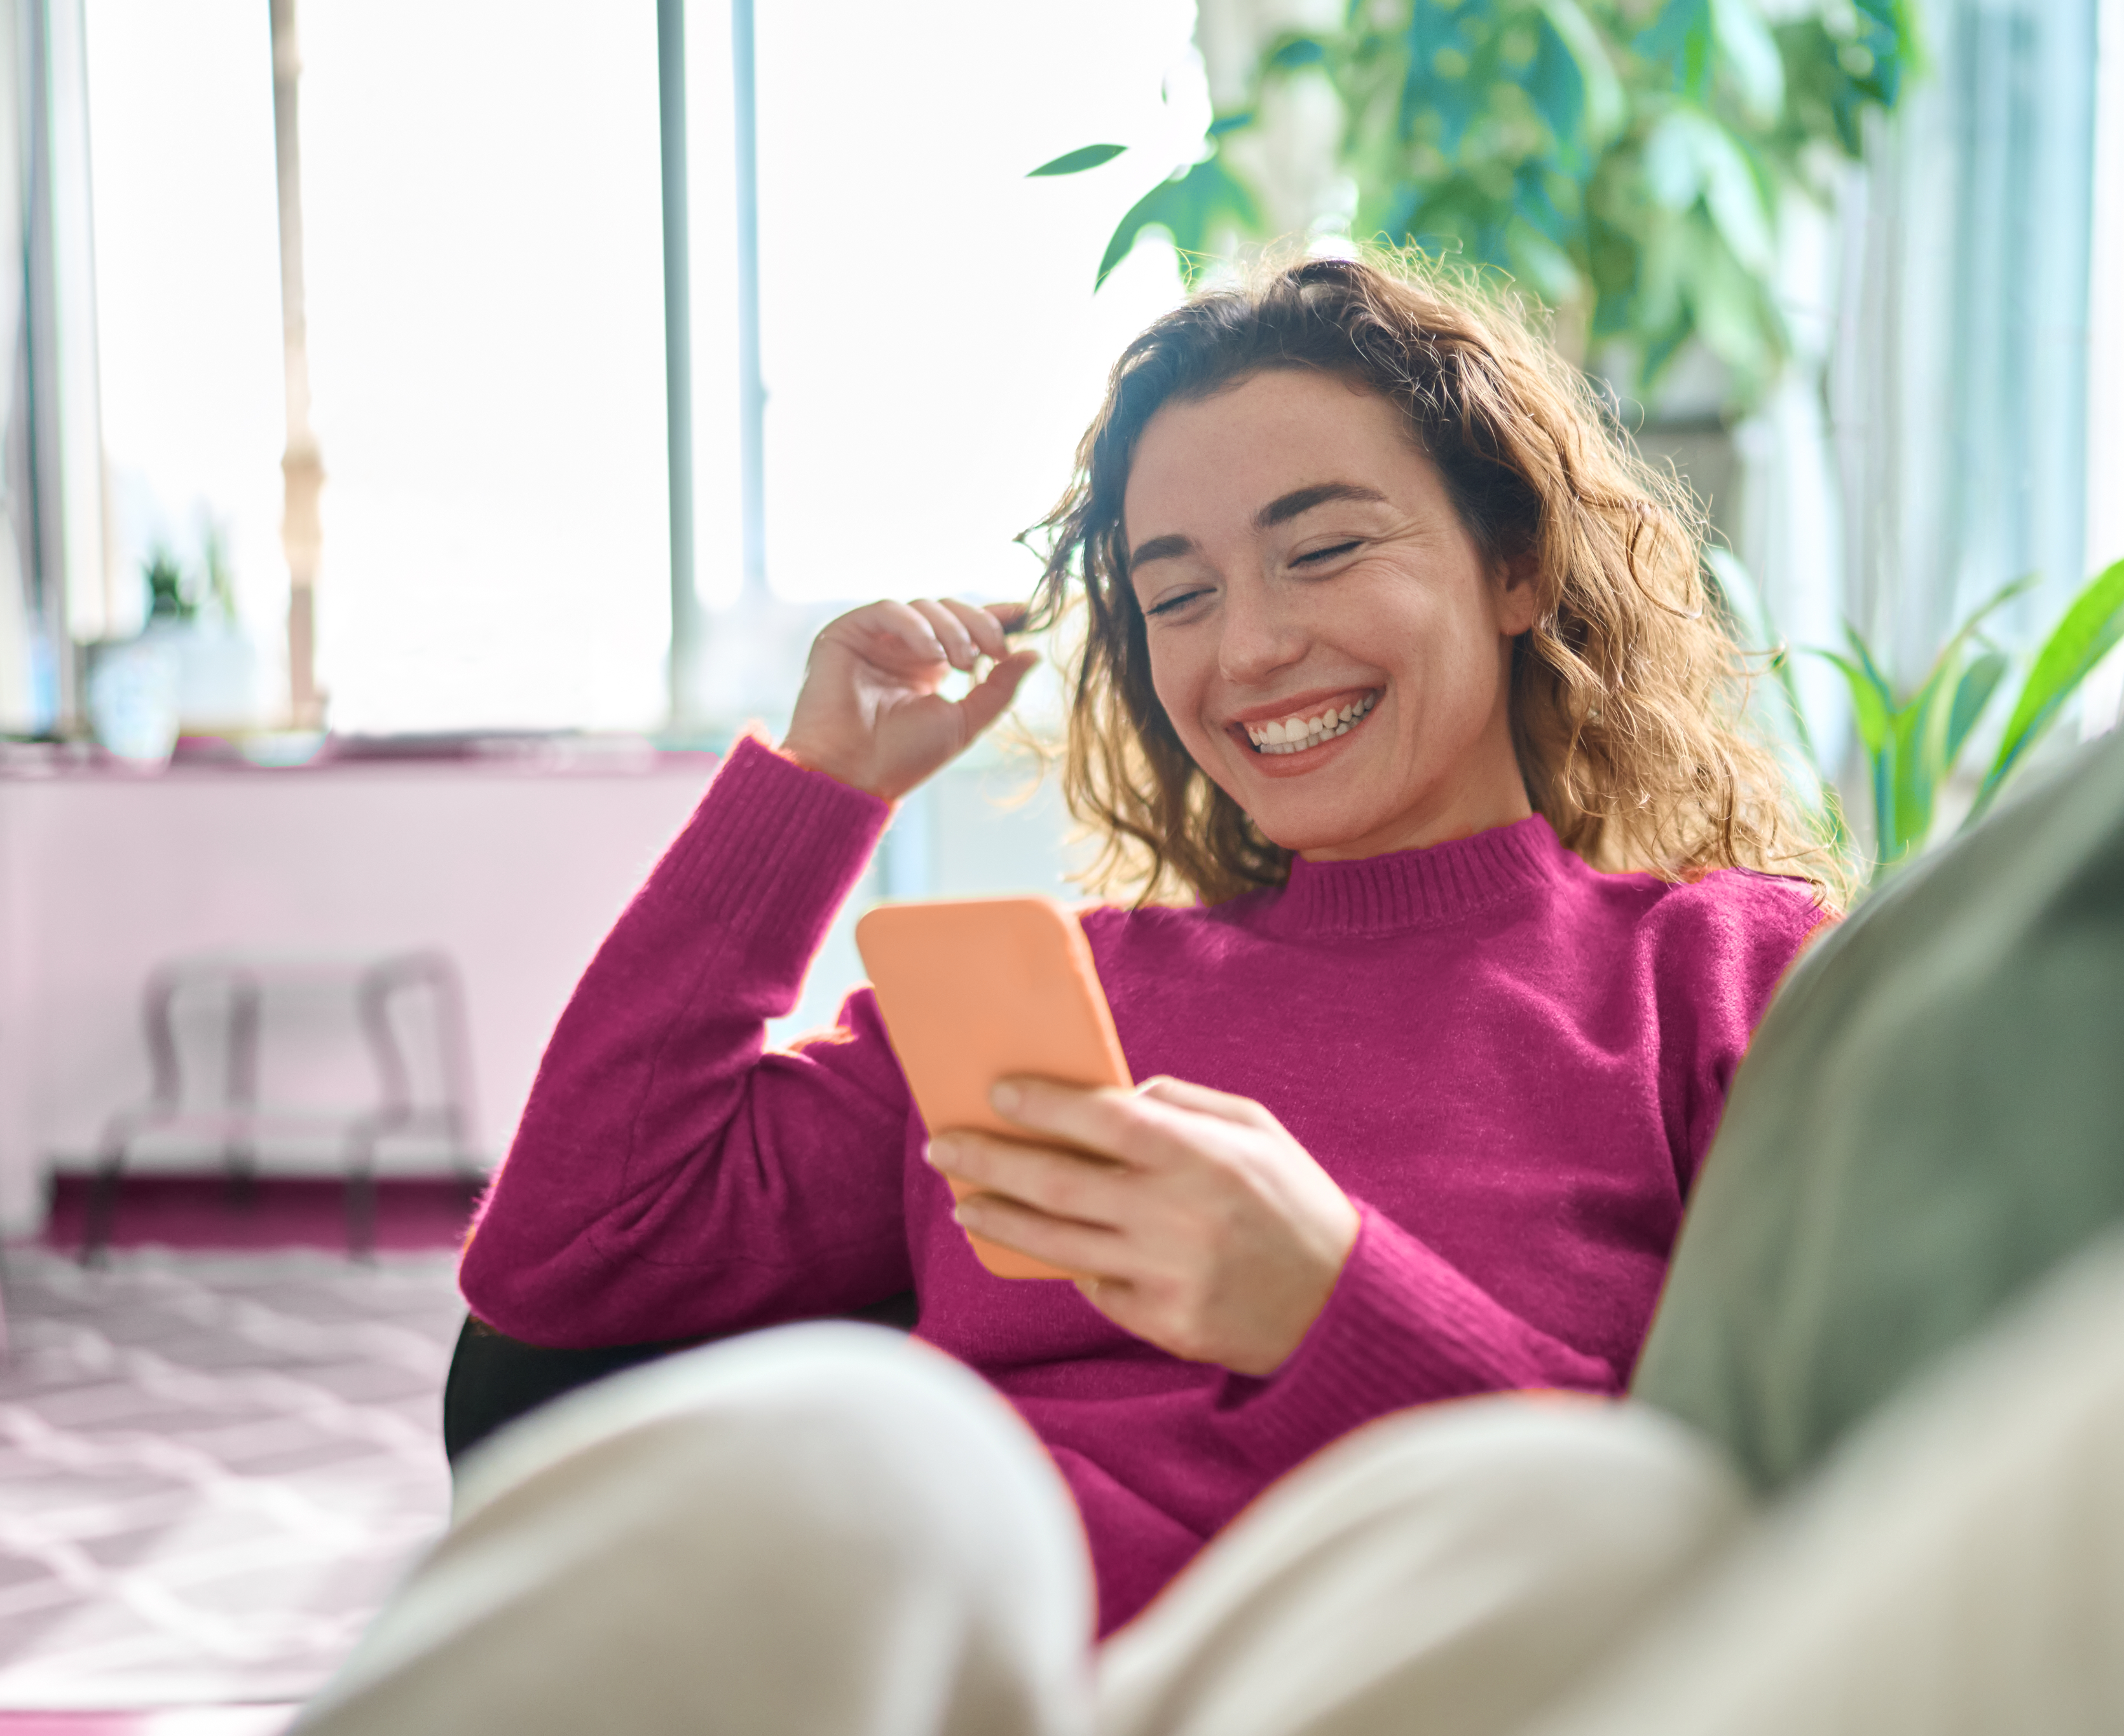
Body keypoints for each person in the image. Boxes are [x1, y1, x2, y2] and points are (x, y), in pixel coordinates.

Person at [450, 252, 1836, 1637]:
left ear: (1516, 563)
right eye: (1177, 596)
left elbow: (1771, 1525)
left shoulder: (1718, 979)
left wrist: (1329, 1308)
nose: (1246, 652)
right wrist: (817, 788)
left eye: (1324, 548)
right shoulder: (1064, 1002)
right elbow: (566, 1254)